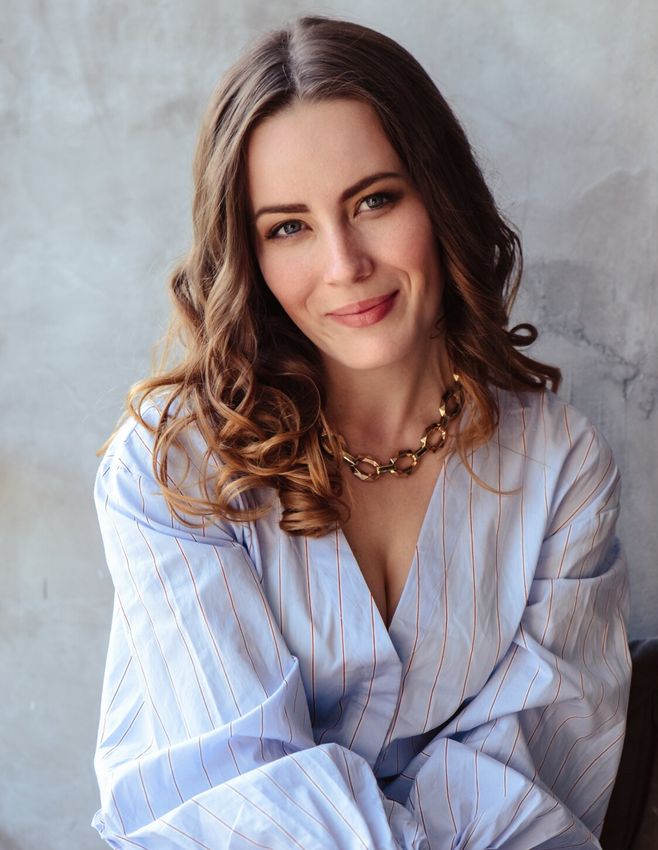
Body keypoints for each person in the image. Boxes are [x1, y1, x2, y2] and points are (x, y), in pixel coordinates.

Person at [91, 15, 630, 850]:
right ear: (251, 255)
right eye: (289, 227)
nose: (344, 264)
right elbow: (237, 786)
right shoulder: (174, 466)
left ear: (438, 196)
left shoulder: (559, 465)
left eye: (374, 200)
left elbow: (534, 772)